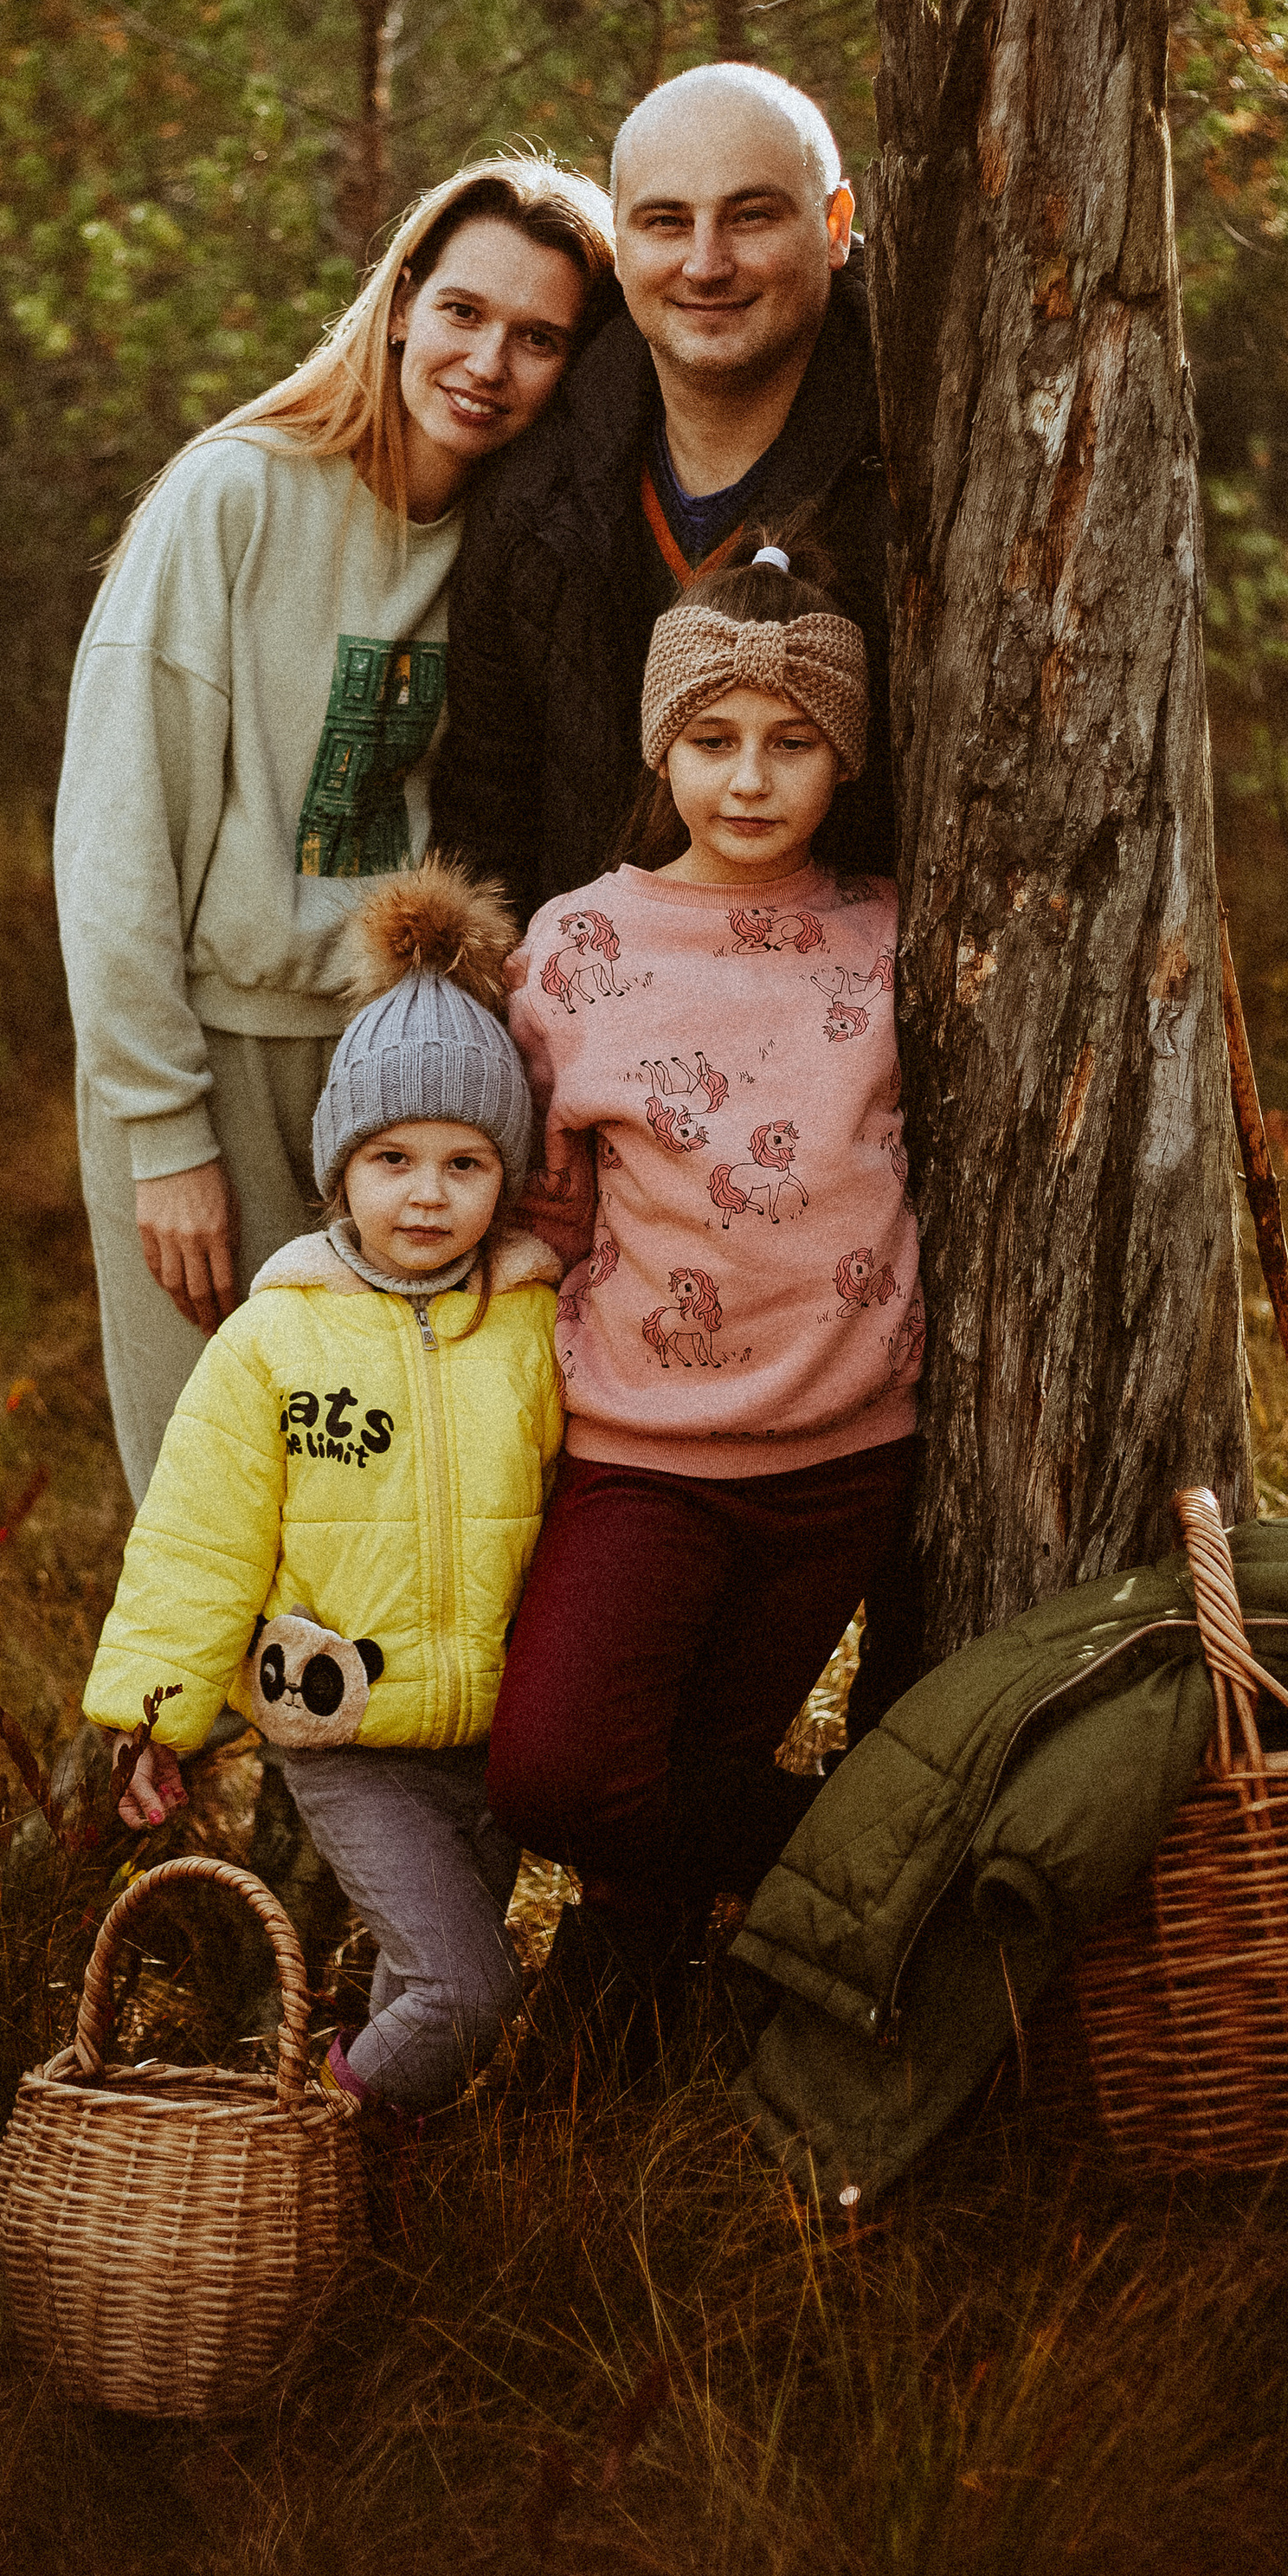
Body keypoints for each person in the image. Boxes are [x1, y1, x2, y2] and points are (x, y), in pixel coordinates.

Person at [55, 158, 614, 1508]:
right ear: (403, 301)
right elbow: (116, 837)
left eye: (540, 338)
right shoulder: (235, 498)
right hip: (217, 1057)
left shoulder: (518, 536)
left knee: (388, 1494)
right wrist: (162, 1133)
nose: (488, 363)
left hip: (416, 1070)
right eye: (464, 312)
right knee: (213, 1483)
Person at [484, 536, 922, 2063]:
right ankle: (881, 1874)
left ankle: (618, 2063)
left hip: (846, 1454)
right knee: (558, 1773)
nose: (749, 778)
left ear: (844, 756)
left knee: (679, 1794)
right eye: (714, 738)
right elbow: (549, 1208)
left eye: (792, 742)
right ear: (660, 746)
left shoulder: (890, 933)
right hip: (645, 1455)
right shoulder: (577, 947)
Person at [87, 863, 564, 2114]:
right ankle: (312, 2135)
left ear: (507, 1175)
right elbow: (198, 1539)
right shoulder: (277, 1337)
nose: (427, 1193)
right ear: (337, 1169)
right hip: (348, 1741)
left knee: (418, 1983)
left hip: (491, 1738)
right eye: (391, 1158)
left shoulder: (533, 1325)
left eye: (465, 1163)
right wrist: (152, 1716)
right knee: (467, 1991)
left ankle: (362, 2194)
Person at [432, 65, 893, 926]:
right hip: (578, 997)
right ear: (620, 241)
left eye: (751, 216)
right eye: (665, 222)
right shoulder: (531, 491)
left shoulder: (920, 466)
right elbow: (486, 820)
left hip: (854, 996)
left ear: (835, 227)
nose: (705, 264)